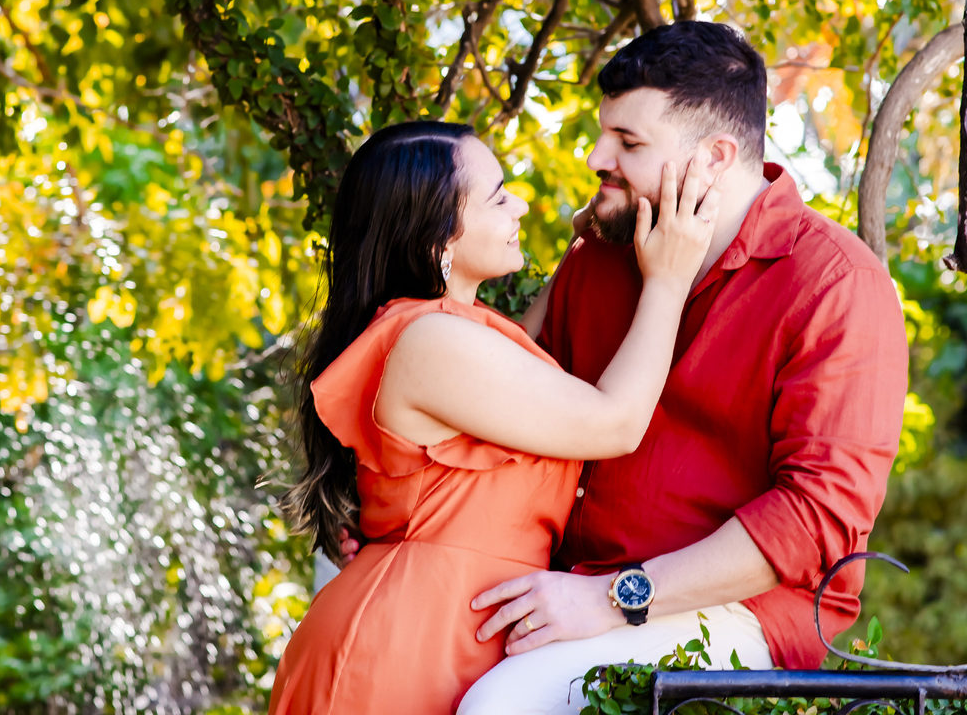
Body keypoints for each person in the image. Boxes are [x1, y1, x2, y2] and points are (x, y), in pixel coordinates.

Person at [445, 22, 910, 714]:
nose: (598, 156)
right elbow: (525, 429)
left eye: (629, 144)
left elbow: (815, 517)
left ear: (715, 156)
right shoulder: (600, 260)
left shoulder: (836, 284)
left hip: (749, 613)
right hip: (569, 583)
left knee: (503, 706)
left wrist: (615, 598)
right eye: (606, 134)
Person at [269, 120, 720, 715]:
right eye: (499, 195)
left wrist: (585, 246)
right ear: (440, 241)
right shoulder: (428, 342)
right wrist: (668, 278)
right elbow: (614, 422)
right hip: (404, 648)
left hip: (458, 633)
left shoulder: (450, 330)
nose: (521, 204)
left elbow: (532, 354)